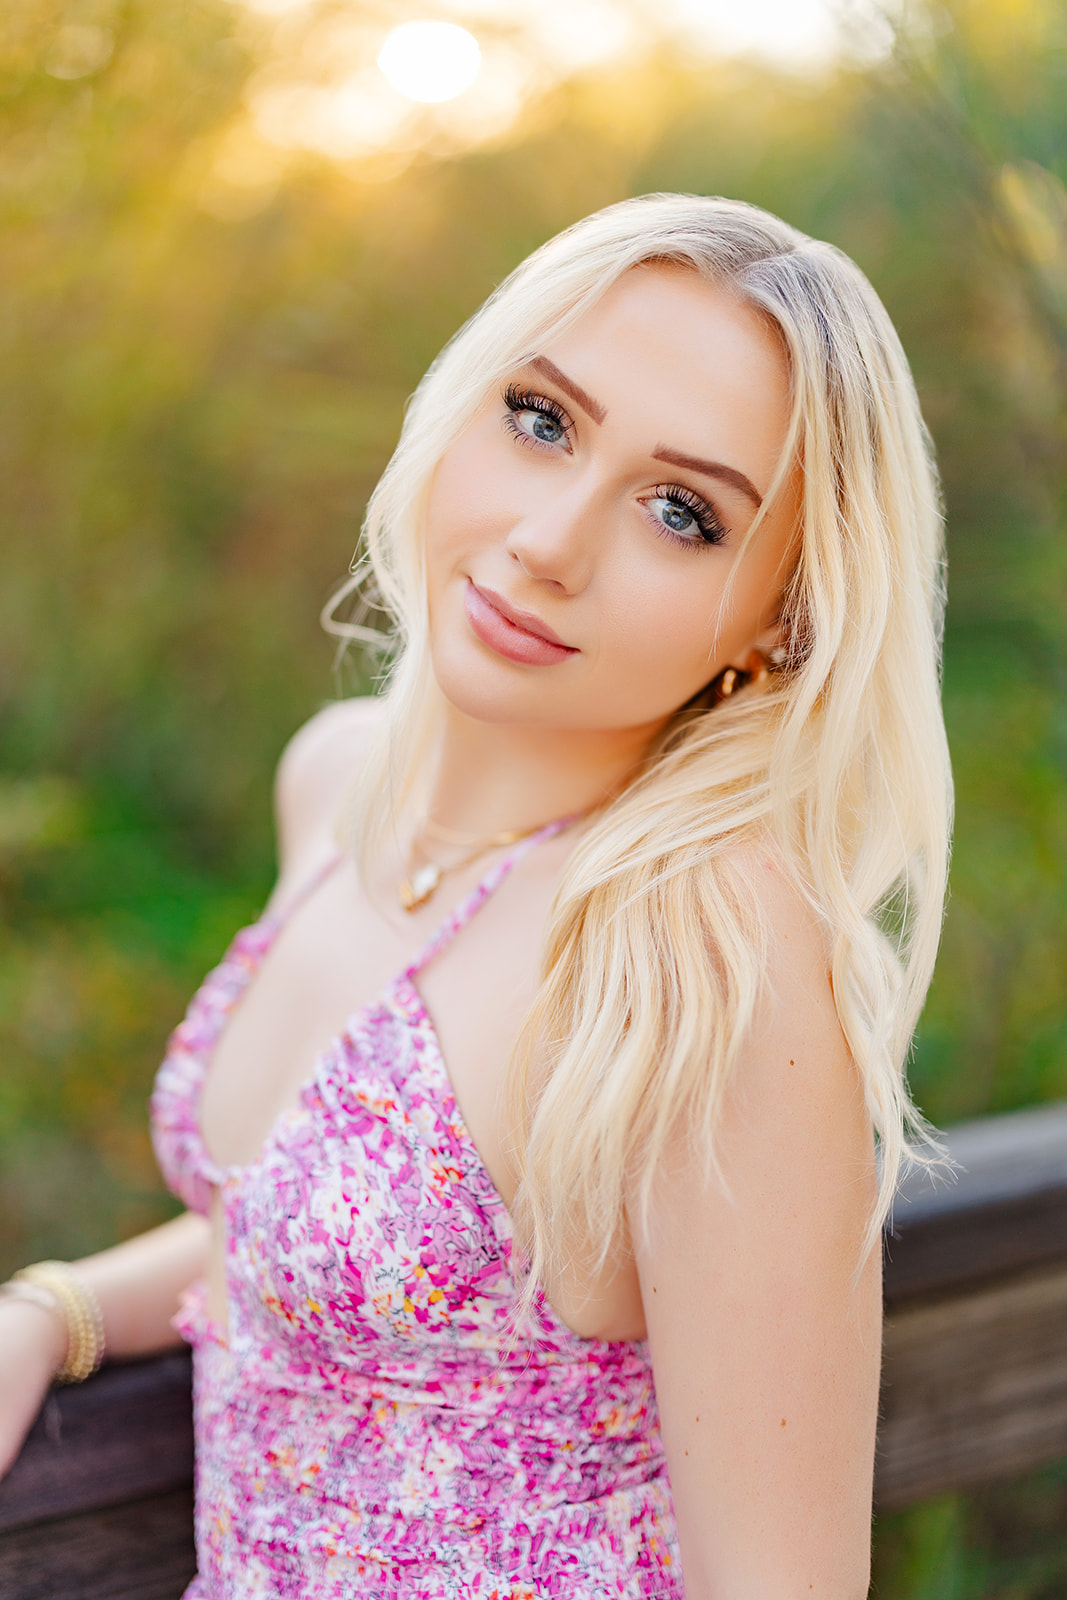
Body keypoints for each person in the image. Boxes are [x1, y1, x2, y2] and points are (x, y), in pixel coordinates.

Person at [0, 193, 951, 1597]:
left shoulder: (702, 946)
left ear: (781, 620)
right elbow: (319, 1237)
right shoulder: (334, 786)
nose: (550, 539)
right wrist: (58, 1310)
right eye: (543, 419)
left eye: (682, 513)